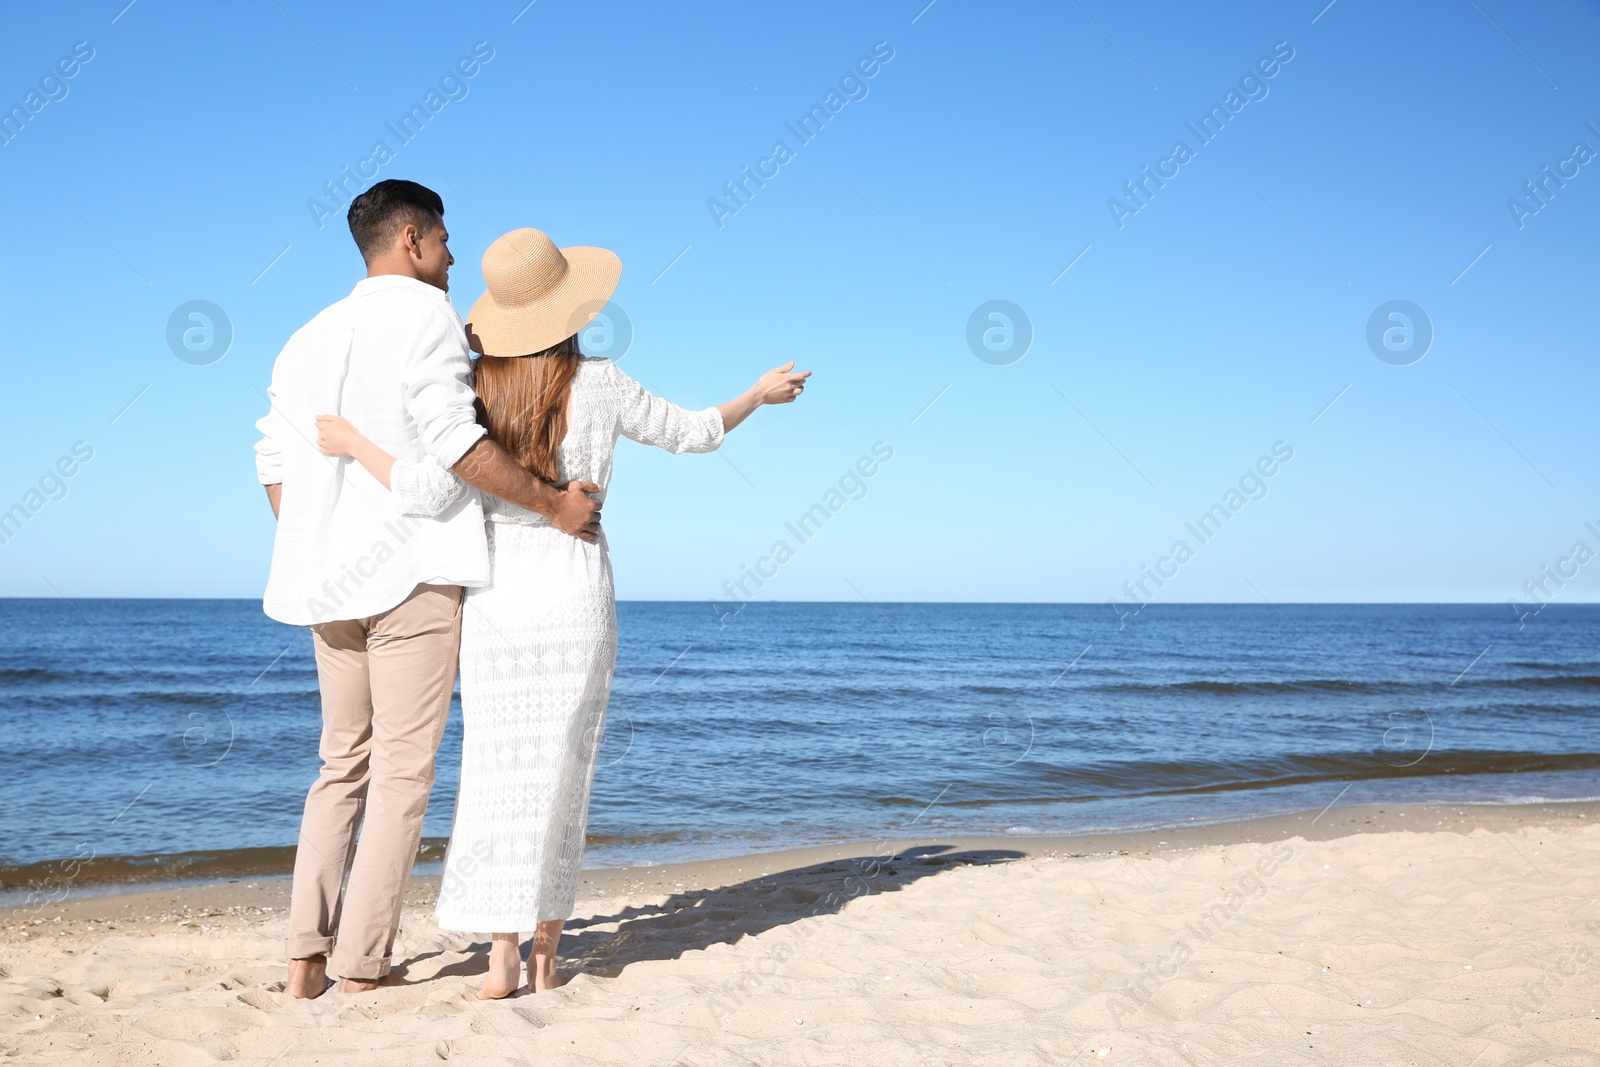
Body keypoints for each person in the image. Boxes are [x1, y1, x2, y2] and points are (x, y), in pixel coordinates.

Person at [313, 226, 809, 998]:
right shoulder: (602, 380)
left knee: (495, 773)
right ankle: (547, 954)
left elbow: (422, 488)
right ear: (571, 305)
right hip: (575, 589)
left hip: (497, 596)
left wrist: (352, 442)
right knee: (561, 775)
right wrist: (758, 395)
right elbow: (692, 434)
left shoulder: (476, 388)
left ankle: (501, 951)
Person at [254, 182, 601, 999]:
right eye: (445, 242)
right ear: (410, 240)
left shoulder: (305, 336)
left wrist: (319, 540)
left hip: (325, 585)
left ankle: (305, 958)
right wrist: (553, 502)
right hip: (411, 577)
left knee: (340, 767)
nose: (452, 259)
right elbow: (456, 444)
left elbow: (274, 463)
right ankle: (362, 962)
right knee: (404, 776)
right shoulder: (427, 318)